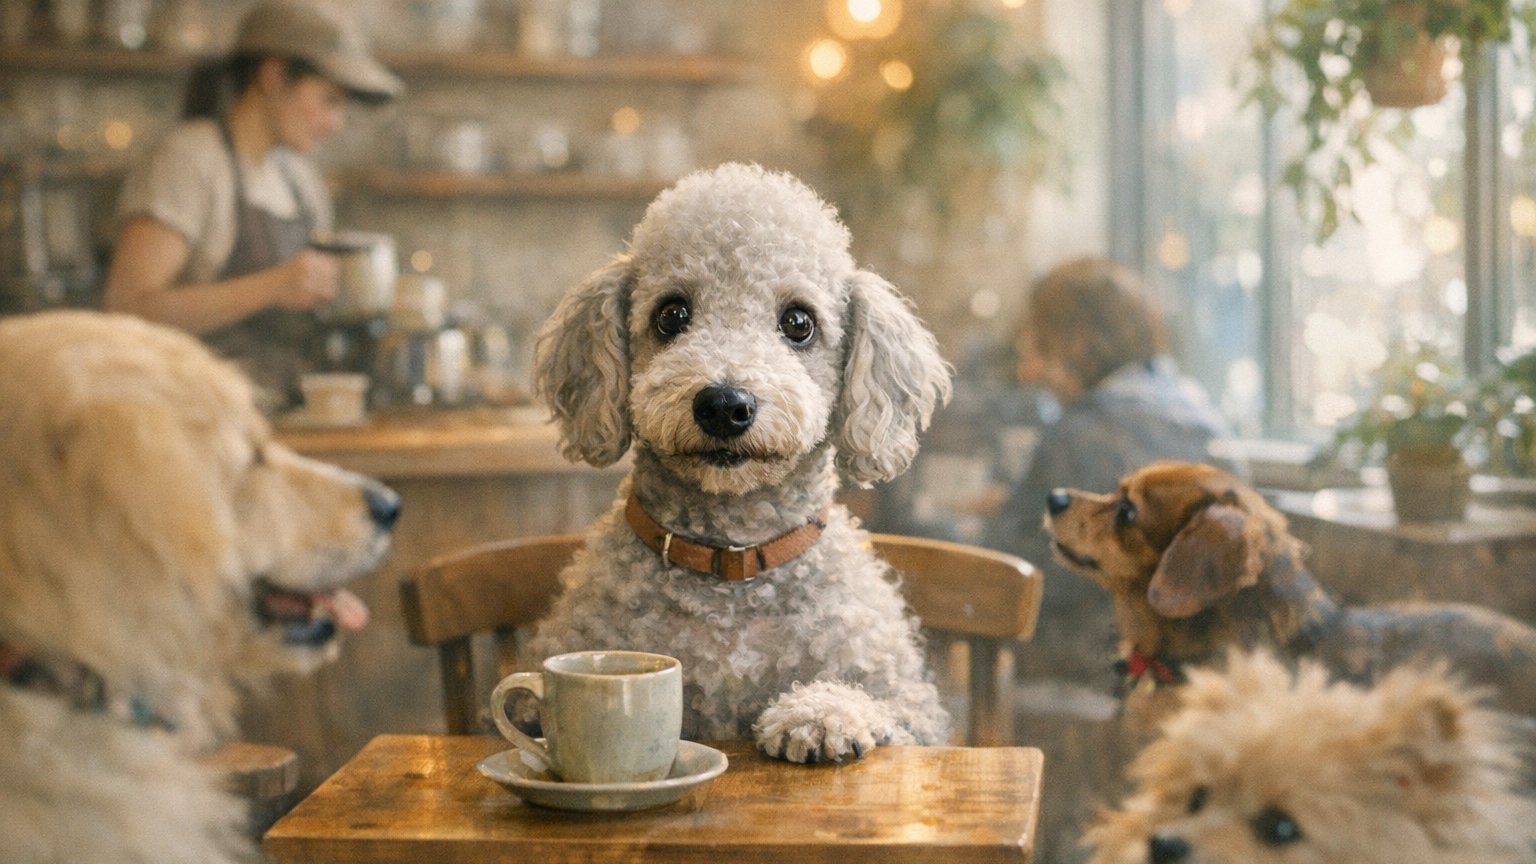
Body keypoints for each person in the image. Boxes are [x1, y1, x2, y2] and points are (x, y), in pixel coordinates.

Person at [103, 0, 401, 408]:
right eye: (329, 100)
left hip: (282, 408)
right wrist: (272, 286)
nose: (337, 123)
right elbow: (127, 310)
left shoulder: (300, 179)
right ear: (275, 76)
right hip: (197, 413)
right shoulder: (190, 160)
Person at [987, 257, 1244, 679]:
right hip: (1206, 669)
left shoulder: (1083, 429)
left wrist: (998, 519)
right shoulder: (1198, 411)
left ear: (1077, 344)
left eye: (1040, 347)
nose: (1027, 371)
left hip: (1102, 671)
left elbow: (1010, 570)